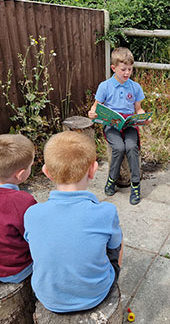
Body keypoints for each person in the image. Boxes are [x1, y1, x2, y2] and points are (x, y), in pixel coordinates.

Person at [24, 131, 123, 313]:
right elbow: (115, 246)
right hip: (96, 294)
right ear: (93, 169)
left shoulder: (32, 213)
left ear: (46, 172)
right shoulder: (106, 212)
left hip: (48, 297)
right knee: (115, 240)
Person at [88, 47, 151, 205]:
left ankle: (135, 185)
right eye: (123, 69)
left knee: (131, 147)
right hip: (111, 124)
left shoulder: (135, 87)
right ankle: (112, 179)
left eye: (130, 69)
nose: (127, 73)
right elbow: (96, 106)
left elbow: (138, 109)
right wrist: (92, 112)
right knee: (118, 147)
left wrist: (144, 117)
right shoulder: (105, 86)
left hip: (129, 124)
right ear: (113, 68)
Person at [0, 134, 36, 284]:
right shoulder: (23, 201)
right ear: (21, 174)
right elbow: (34, 238)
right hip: (15, 270)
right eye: (31, 166)